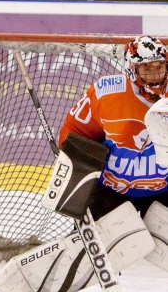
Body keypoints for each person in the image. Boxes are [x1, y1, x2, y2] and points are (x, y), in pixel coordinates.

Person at [59, 35, 168, 221]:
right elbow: (74, 131)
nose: (155, 75)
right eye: (147, 69)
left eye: (160, 66)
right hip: (111, 191)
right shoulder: (106, 92)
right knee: (112, 248)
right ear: (132, 69)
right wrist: (73, 161)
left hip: (164, 191)